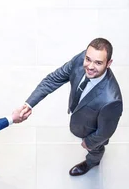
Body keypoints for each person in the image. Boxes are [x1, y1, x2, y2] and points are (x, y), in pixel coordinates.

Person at [21, 38, 123, 176]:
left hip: (90, 129)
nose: (90, 66)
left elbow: (105, 131)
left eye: (98, 63)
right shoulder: (81, 59)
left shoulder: (112, 100)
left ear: (109, 63)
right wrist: (29, 103)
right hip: (80, 115)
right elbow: (54, 79)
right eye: (88, 59)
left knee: (96, 148)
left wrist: (89, 143)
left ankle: (92, 162)